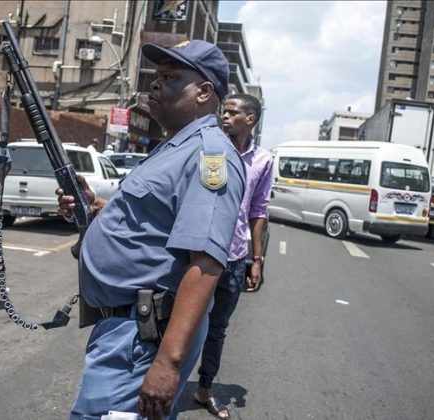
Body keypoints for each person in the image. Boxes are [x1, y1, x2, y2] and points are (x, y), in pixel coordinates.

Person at [57, 40, 246, 420]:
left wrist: (168, 364)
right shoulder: (174, 147)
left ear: (204, 92)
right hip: (124, 330)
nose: (155, 85)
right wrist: (93, 207)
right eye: (156, 77)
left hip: (143, 338)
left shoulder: (211, 154)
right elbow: (152, 221)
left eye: (171, 78)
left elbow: (205, 264)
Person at [193, 93, 274, 420]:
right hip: (200, 253)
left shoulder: (263, 160)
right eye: (222, 111)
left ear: (250, 119)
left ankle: (204, 389)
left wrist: (257, 260)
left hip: (235, 258)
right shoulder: (209, 148)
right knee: (177, 320)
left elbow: (258, 211)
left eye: (232, 112)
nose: (224, 116)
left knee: (217, 328)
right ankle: (165, 380)